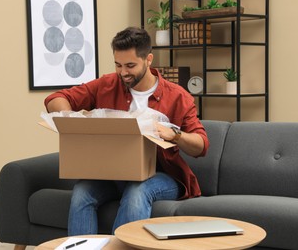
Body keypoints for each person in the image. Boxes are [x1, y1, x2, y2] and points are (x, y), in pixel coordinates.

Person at [44, 27, 209, 236]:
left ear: (149, 59)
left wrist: (175, 134)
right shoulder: (107, 84)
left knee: (137, 190)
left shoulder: (177, 96)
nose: (123, 72)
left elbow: (201, 146)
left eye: (130, 65)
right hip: (113, 173)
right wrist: (70, 118)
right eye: (118, 65)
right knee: (82, 192)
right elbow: (56, 99)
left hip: (162, 175)